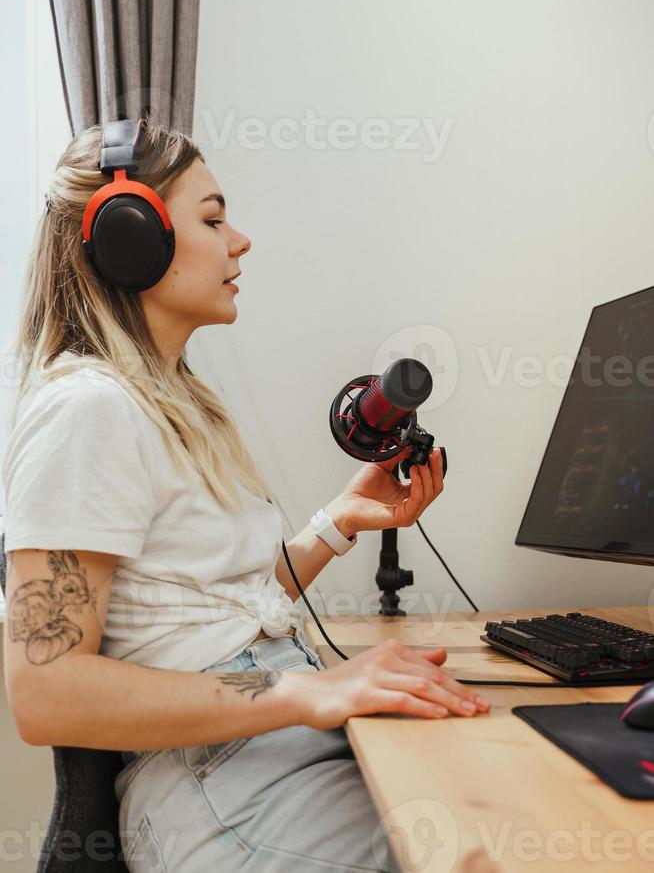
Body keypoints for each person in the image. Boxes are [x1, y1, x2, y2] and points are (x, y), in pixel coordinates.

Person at [2, 117, 490, 872]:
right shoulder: (87, 411)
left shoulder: (165, 403)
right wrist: (299, 692)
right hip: (212, 783)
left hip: (252, 751)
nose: (241, 241)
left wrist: (339, 523)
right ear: (133, 238)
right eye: (213, 218)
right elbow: (48, 692)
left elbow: (216, 613)